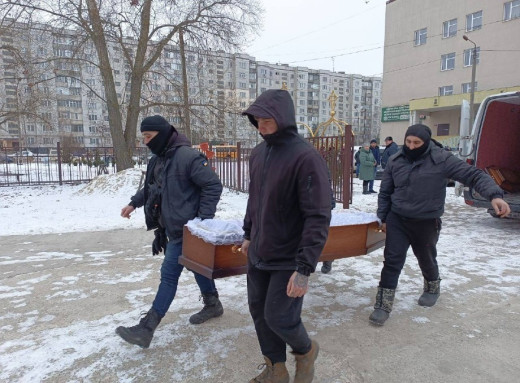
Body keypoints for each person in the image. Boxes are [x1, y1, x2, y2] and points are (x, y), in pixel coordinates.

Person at [369, 124, 511, 326]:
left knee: (426, 257)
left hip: (427, 221)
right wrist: (382, 218)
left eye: (416, 143)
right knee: (392, 261)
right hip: (398, 218)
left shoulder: (442, 159)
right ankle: (382, 305)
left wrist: (494, 196)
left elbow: (474, 175)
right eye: (408, 142)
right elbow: (385, 193)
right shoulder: (395, 160)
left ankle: (432, 288)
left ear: (426, 142)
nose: (411, 146)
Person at [241, 89, 332, 383]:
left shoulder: (305, 157)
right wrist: (247, 233)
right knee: (258, 311)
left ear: (283, 118)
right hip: (259, 251)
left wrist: (304, 267)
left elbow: (318, 215)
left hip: (289, 257)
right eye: (257, 120)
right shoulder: (258, 153)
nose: (262, 126)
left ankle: (306, 352)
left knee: (279, 316)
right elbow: (254, 200)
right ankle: (275, 370)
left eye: (267, 120)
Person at [116, 115, 224, 348]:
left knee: (169, 275)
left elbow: (213, 185)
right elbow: (150, 188)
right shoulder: (158, 159)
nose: (145, 141)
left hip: (187, 230)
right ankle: (213, 303)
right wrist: (134, 203)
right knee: (196, 265)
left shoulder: (188, 157)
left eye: (149, 136)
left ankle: (147, 328)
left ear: (162, 134)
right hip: (171, 228)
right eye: (143, 137)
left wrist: (201, 222)